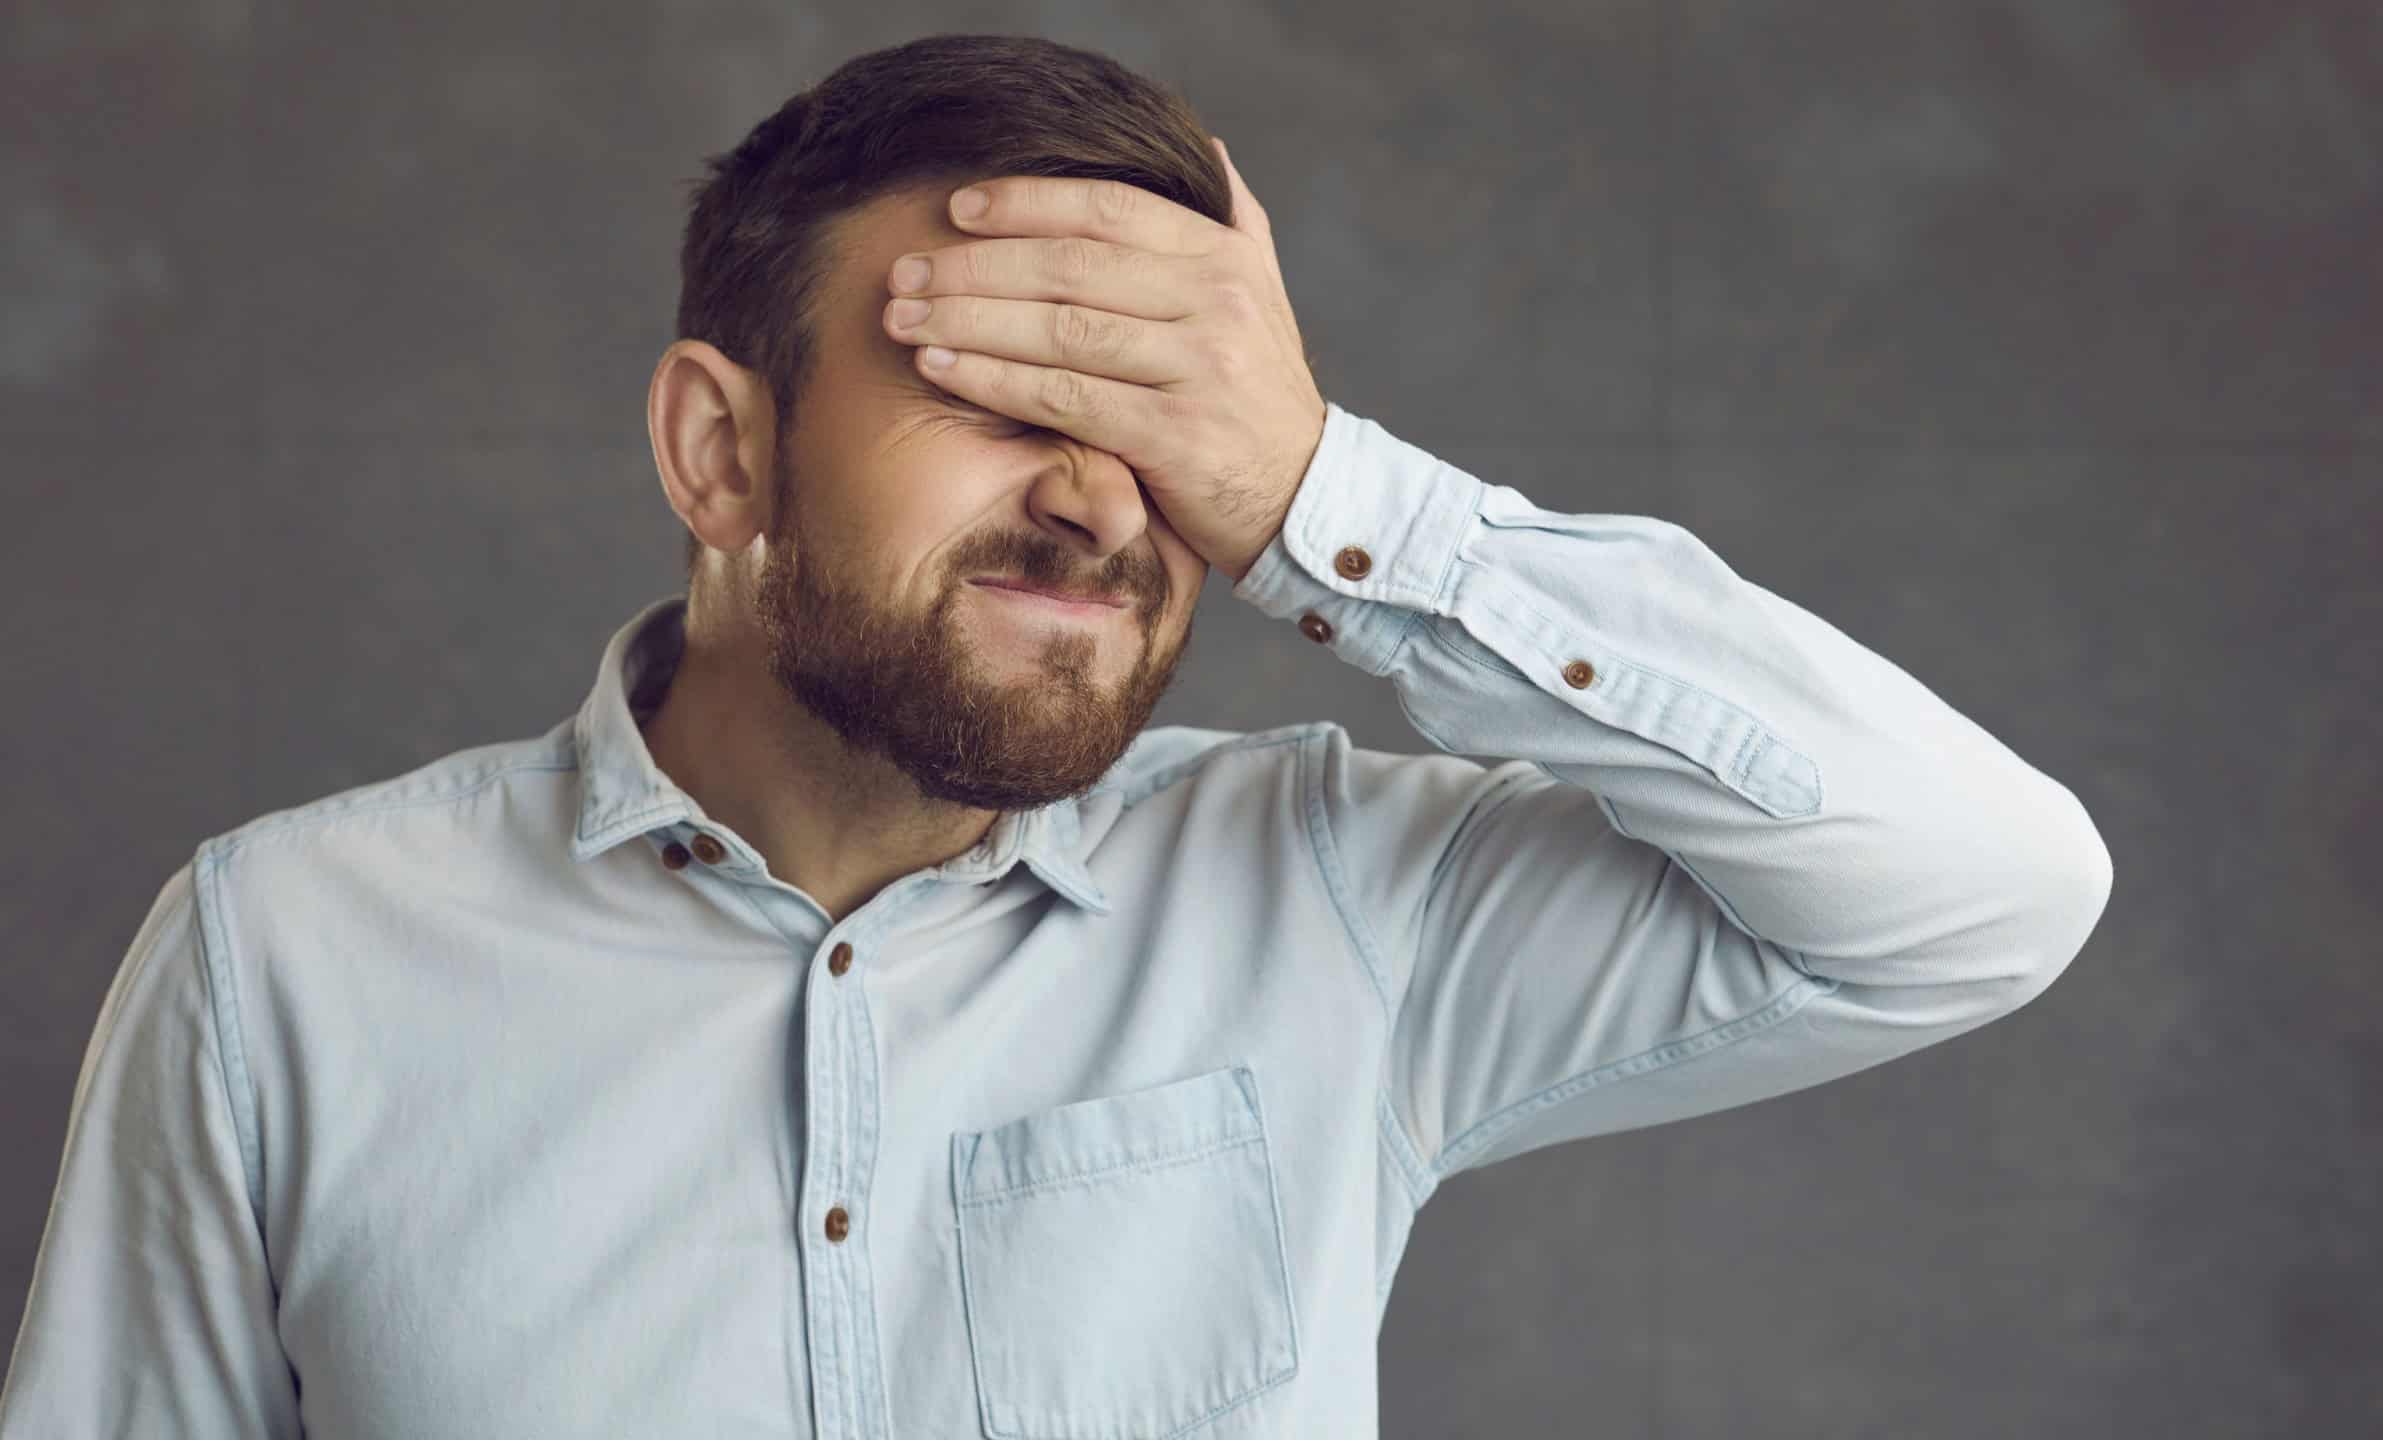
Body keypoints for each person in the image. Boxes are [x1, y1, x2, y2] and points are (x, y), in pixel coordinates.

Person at [0, 31, 2112, 1440]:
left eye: (1160, 426)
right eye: (1007, 396)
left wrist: (1319, 494)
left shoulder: (1339, 904)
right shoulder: (280, 955)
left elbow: (1977, 896)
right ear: (720, 450)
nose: (1106, 498)